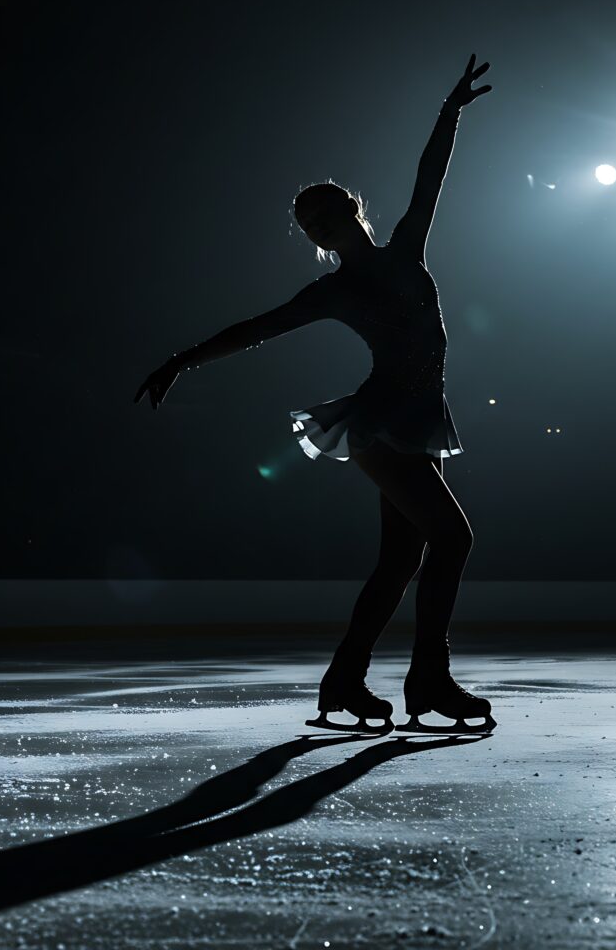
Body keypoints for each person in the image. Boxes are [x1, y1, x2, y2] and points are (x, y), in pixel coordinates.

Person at [135, 54, 495, 734]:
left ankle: (345, 681)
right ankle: (429, 677)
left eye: (323, 211)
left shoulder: (406, 251)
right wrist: (184, 359)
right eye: (307, 222)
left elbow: (430, 178)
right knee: (452, 539)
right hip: (381, 423)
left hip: (417, 420)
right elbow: (257, 329)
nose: (315, 224)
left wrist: (448, 113)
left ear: (352, 209)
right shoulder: (333, 292)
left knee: (402, 559)